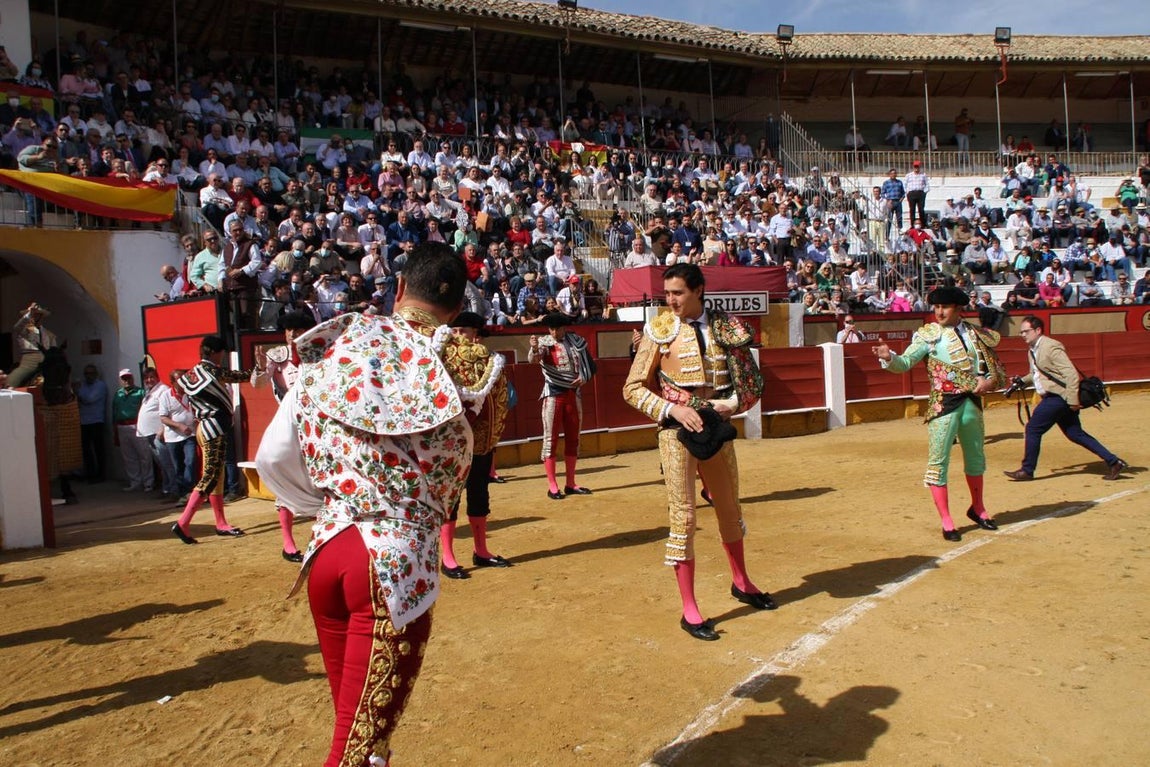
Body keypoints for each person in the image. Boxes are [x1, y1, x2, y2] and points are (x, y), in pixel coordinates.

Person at [256, 242, 499, 767]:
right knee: (356, 748)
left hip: (327, 553)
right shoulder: (465, 366)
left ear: (397, 289)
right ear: (457, 309)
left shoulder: (335, 353)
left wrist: (330, 503)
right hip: (393, 565)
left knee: (358, 732)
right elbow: (475, 450)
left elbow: (272, 457)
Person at [623, 263, 771, 642]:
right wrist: (673, 409)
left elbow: (752, 385)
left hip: (716, 428)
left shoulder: (726, 327)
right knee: (684, 516)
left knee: (729, 508)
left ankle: (742, 582)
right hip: (676, 431)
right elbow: (633, 388)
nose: (670, 300)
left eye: (678, 293)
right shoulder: (657, 330)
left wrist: (731, 404)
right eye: (667, 293)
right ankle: (690, 608)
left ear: (699, 290)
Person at [872, 287, 1007, 542]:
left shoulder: (977, 334)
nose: (939, 312)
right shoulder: (928, 335)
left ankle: (977, 508)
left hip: (972, 405)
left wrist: (988, 383)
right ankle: (947, 520)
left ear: (958, 309)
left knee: (976, 458)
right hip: (943, 406)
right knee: (938, 463)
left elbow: (998, 373)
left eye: (944, 307)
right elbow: (905, 363)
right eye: (936, 308)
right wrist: (889, 358)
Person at [1003, 316, 1127, 482]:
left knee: (1033, 429)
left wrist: (1072, 400)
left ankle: (1027, 470)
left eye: (1026, 331)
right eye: (1021, 332)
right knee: (1075, 433)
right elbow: (1038, 374)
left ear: (1038, 330)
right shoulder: (1032, 350)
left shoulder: (1051, 346)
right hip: (1057, 396)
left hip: (1058, 397)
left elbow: (1070, 374)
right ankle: (1114, 462)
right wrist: (1022, 381)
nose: (1022, 334)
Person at [439, 312, 511, 579]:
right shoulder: (442, 360)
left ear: (476, 333)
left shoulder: (491, 361)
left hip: (482, 441)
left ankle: (481, 550)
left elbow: (500, 398)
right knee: (451, 497)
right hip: (452, 443)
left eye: (463, 330)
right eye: (454, 330)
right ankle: (448, 556)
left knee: (479, 494)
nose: (458, 336)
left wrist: (493, 433)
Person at [171, 335, 259, 544]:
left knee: (216, 477)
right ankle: (183, 523)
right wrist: (260, 365)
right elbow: (242, 376)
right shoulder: (213, 370)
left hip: (203, 426)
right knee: (210, 476)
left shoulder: (191, 373)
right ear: (216, 353)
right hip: (215, 427)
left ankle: (221, 523)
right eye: (222, 353)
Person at [262, 311, 317, 562]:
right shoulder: (277, 358)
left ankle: (324, 534)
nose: (292, 334)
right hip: (289, 425)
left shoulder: (317, 354)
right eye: (288, 330)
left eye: (297, 329)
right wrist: (262, 369)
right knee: (285, 479)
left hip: (316, 425)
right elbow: (257, 384)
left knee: (323, 478)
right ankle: (288, 543)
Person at [528, 313, 596, 500]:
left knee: (574, 439)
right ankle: (552, 485)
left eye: (557, 328)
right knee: (550, 440)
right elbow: (534, 359)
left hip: (573, 395)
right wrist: (533, 349)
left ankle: (571, 483)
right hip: (553, 395)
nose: (554, 332)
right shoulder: (543, 343)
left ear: (564, 327)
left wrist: (584, 377)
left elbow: (588, 365)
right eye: (551, 328)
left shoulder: (576, 341)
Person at [9, 302, 57, 388]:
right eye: (32, 314)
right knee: (13, 380)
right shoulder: (24, 330)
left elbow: (54, 351)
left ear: (41, 316)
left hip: (47, 361)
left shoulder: (50, 335)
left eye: (36, 314)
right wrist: (29, 313)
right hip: (29, 361)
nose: (34, 316)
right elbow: (17, 327)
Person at [75, 363, 109, 483]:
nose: (88, 376)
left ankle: (100, 474)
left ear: (96, 374)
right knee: (86, 450)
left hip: (96, 421)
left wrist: (78, 391)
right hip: (83, 421)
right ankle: (90, 474)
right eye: (86, 374)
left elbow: (89, 399)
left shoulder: (100, 385)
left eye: (91, 373)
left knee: (98, 449)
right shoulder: (83, 385)